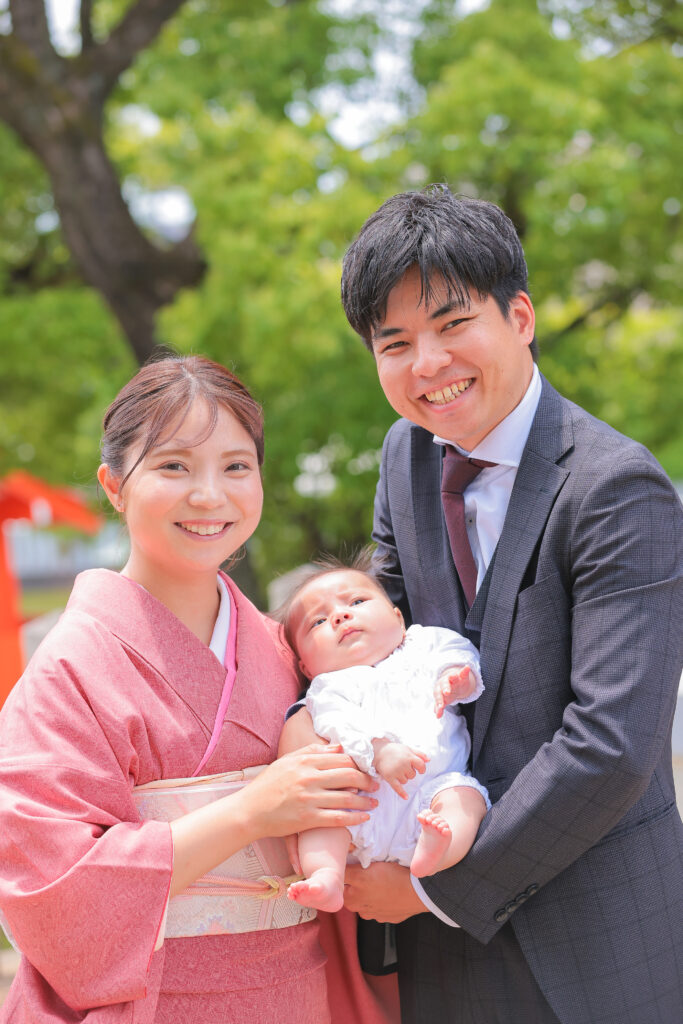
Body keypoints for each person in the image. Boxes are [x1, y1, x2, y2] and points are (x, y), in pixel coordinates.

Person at [333, 185, 683, 1023]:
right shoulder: (404, 454)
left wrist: (428, 886)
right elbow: (379, 644)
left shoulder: (616, 488)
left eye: (453, 325)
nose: (428, 365)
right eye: (396, 342)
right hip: (445, 961)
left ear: (518, 317)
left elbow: (610, 747)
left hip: (596, 939)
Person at [0, 356, 391, 1024]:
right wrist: (249, 812)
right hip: (158, 1000)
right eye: (174, 466)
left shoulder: (280, 647)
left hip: (300, 991)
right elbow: (47, 890)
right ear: (115, 485)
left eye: (236, 467)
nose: (210, 495)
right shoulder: (70, 668)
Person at [277, 558, 490, 913]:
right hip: (363, 809)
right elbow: (337, 722)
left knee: (465, 798)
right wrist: (379, 750)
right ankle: (325, 875)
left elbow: (458, 650)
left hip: (432, 790)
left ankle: (438, 848)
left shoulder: (424, 644)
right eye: (318, 621)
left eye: (356, 602)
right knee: (324, 821)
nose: (340, 617)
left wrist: (457, 677)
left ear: (397, 616)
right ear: (305, 666)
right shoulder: (329, 688)